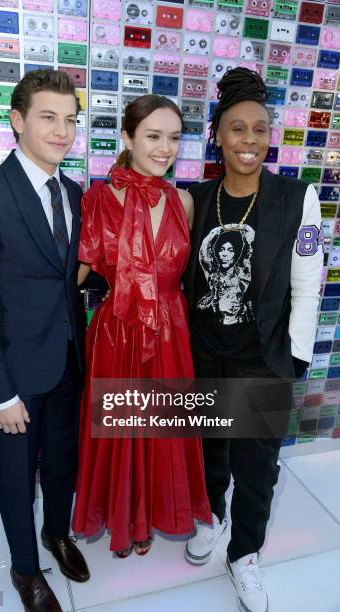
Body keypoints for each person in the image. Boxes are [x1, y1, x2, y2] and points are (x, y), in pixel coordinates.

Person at [183, 68, 323, 612]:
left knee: (257, 467)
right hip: (203, 353)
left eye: (260, 130)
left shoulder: (295, 198)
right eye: (237, 129)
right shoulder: (195, 198)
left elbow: (308, 285)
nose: (249, 141)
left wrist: (293, 360)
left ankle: (245, 554)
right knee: (208, 452)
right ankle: (213, 519)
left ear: (270, 135)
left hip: (264, 358)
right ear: (217, 135)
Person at [0, 70, 90, 612]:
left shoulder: (74, 192)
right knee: (15, 478)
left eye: (70, 120)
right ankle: (25, 569)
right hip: (14, 375)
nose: (62, 131)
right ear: (17, 121)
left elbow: (69, 276)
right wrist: (0, 393)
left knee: (61, 466)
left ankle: (57, 534)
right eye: (49, 117)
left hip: (68, 361)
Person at [73, 94, 212, 556]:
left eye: (174, 138)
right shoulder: (95, 198)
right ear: (128, 137)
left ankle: (150, 517)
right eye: (153, 136)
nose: (165, 148)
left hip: (171, 333)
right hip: (117, 332)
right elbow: (74, 276)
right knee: (121, 433)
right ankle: (123, 520)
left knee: (160, 434)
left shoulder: (185, 202)